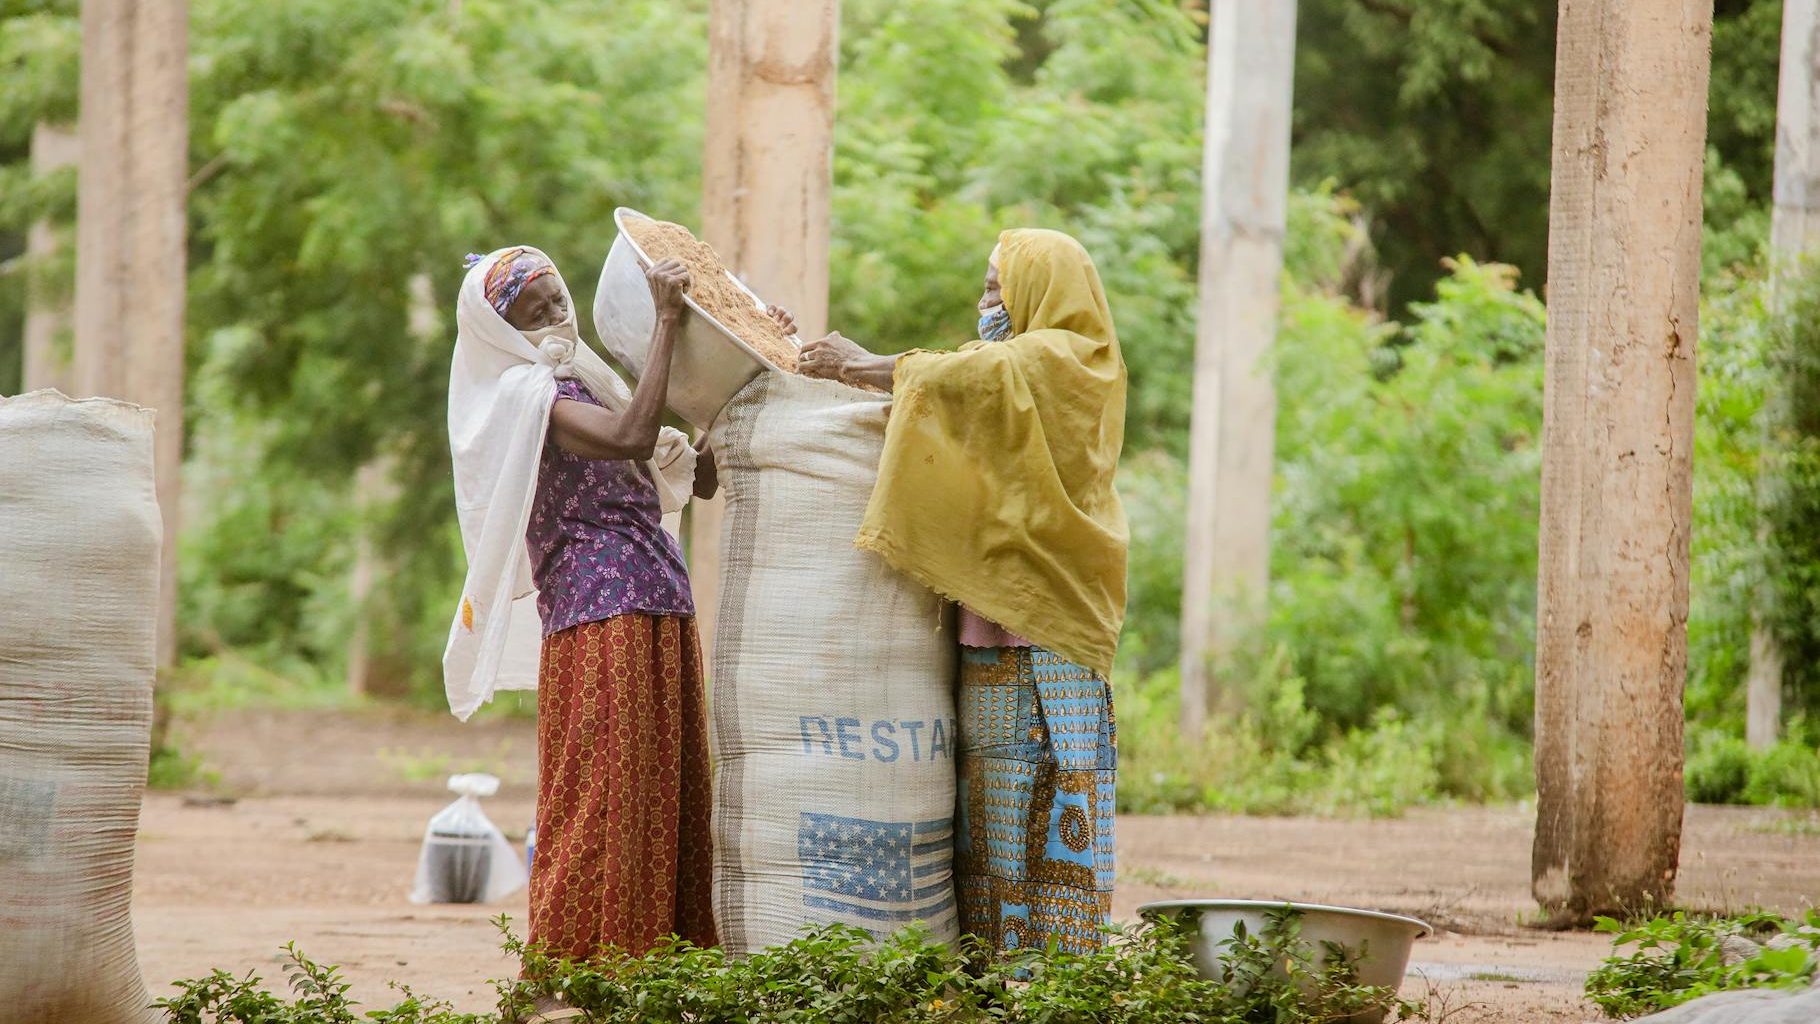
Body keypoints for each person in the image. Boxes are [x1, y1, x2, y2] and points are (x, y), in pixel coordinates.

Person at [797, 229, 1128, 956]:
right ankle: (997, 961)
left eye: (995, 287)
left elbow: (974, 378)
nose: (985, 302)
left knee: (1052, 788)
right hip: (990, 625)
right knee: (990, 805)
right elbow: (967, 404)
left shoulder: (1073, 361)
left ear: (1037, 290)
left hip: (1054, 623)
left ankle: (1060, 971)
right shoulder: (1009, 370)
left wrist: (863, 364)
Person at [445, 247, 718, 1022]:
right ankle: (569, 977)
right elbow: (635, 435)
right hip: (603, 616)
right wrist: (666, 319)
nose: (555, 316)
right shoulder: (533, 397)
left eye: (557, 298)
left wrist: (733, 388)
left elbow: (684, 472)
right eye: (532, 313)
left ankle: (655, 980)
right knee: (601, 799)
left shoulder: (589, 384)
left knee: (665, 794)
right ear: (502, 335)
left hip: (656, 601)